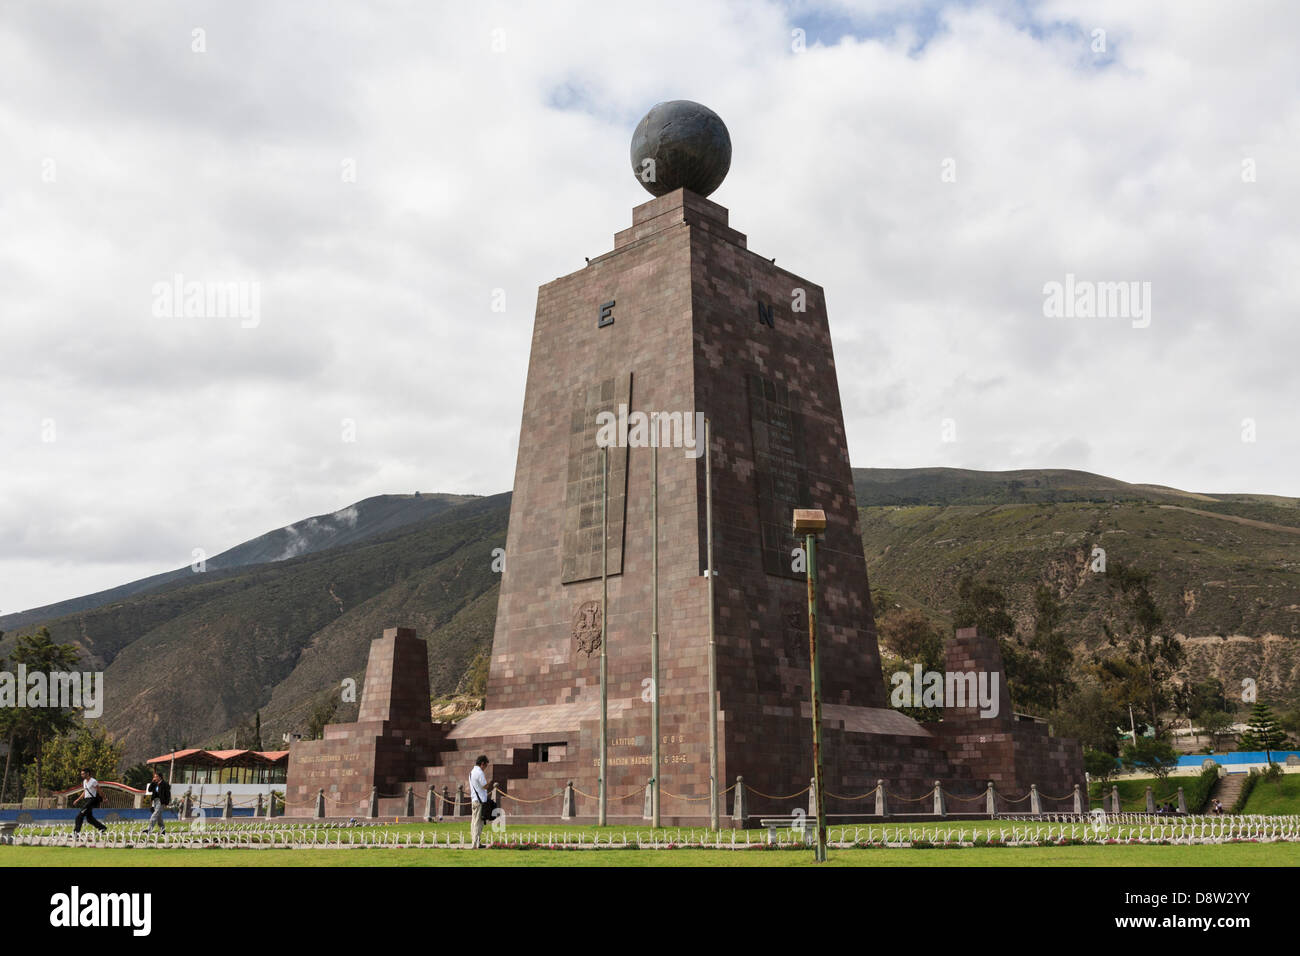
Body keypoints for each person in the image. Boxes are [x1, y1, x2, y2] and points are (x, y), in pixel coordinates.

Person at [72, 768, 108, 837]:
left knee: (79, 816)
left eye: (83, 774)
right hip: (87, 800)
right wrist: (78, 799)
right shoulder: (84, 782)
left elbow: (100, 791)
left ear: (87, 773)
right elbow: (85, 792)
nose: (81, 775)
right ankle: (102, 827)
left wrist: (105, 798)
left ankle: (76, 833)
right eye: (81, 774)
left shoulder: (93, 781)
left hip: (92, 800)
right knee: (89, 818)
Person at [469, 755, 490, 849]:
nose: (485, 768)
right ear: (482, 764)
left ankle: (477, 842)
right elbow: (484, 786)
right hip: (480, 801)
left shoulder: (471, 772)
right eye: (486, 766)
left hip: (474, 799)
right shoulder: (479, 772)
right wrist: (490, 783)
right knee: (478, 823)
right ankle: (475, 844)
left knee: (474, 822)